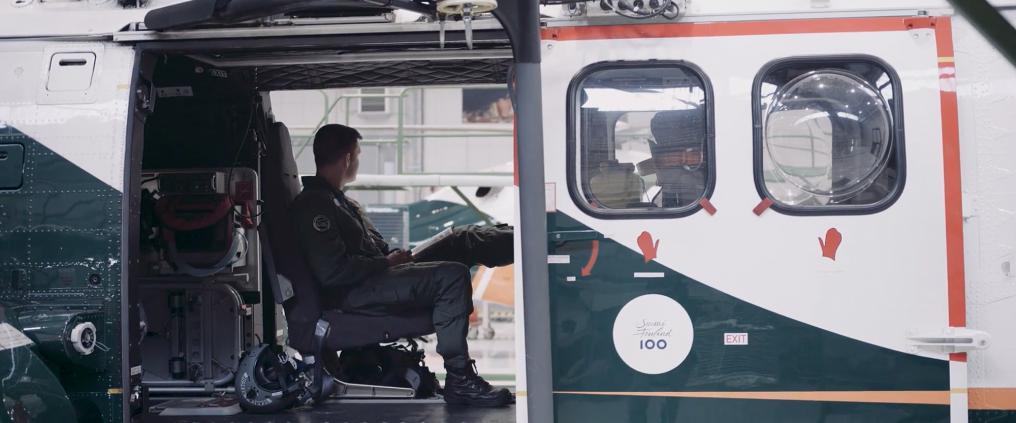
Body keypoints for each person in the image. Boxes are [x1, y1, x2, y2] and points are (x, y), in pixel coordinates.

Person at [290, 124, 514, 407]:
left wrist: (391, 258)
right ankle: (460, 378)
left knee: (460, 240)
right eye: (357, 155)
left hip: (376, 276)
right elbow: (333, 271)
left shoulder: (338, 201)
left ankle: (522, 242)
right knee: (452, 276)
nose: (357, 161)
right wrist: (386, 262)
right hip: (356, 291)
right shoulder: (316, 205)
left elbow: (368, 252)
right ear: (347, 158)